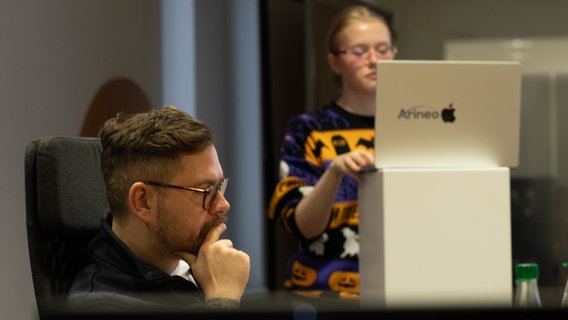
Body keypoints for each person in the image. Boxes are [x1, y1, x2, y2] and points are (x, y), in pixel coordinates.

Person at [267, 5, 397, 298]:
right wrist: (335, 171)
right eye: (359, 51)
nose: (374, 60)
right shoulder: (309, 129)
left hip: (404, 287)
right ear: (335, 62)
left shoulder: (414, 126)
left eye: (383, 49)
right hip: (325, 292)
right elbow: (304, 227)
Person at [68, 106, 250, 311]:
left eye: (219, 186)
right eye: (205, 191)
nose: (223, 204)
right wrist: (223, 299)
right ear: (144, 202)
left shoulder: (200, 270)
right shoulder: (99, 305)